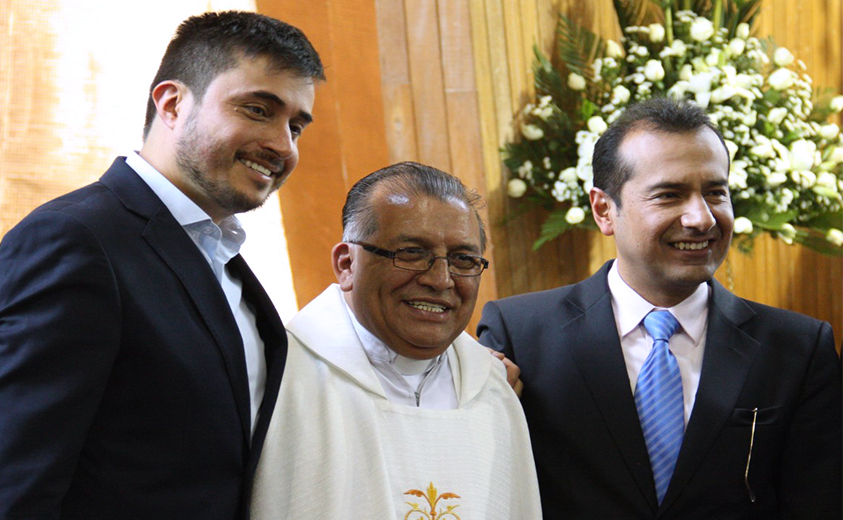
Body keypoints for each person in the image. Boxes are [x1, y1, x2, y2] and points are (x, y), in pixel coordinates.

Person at [0, 11, 323, 519]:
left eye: (296, 127)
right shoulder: (75, 239)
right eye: (258, 109)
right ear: (172, 104)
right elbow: (10, 485)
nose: (284, 146)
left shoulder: (227, 264)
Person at [478, 97, 842, 519]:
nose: (701, 218)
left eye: (715, 192)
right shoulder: (521, 335)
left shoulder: (798, 348)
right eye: (669, 195)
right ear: (603, 210)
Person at [249, 162, 542, 519]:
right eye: (411, 253)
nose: (440, 279)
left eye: (463, 259)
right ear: (346, 264)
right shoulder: (279, 378)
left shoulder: (492, 388)